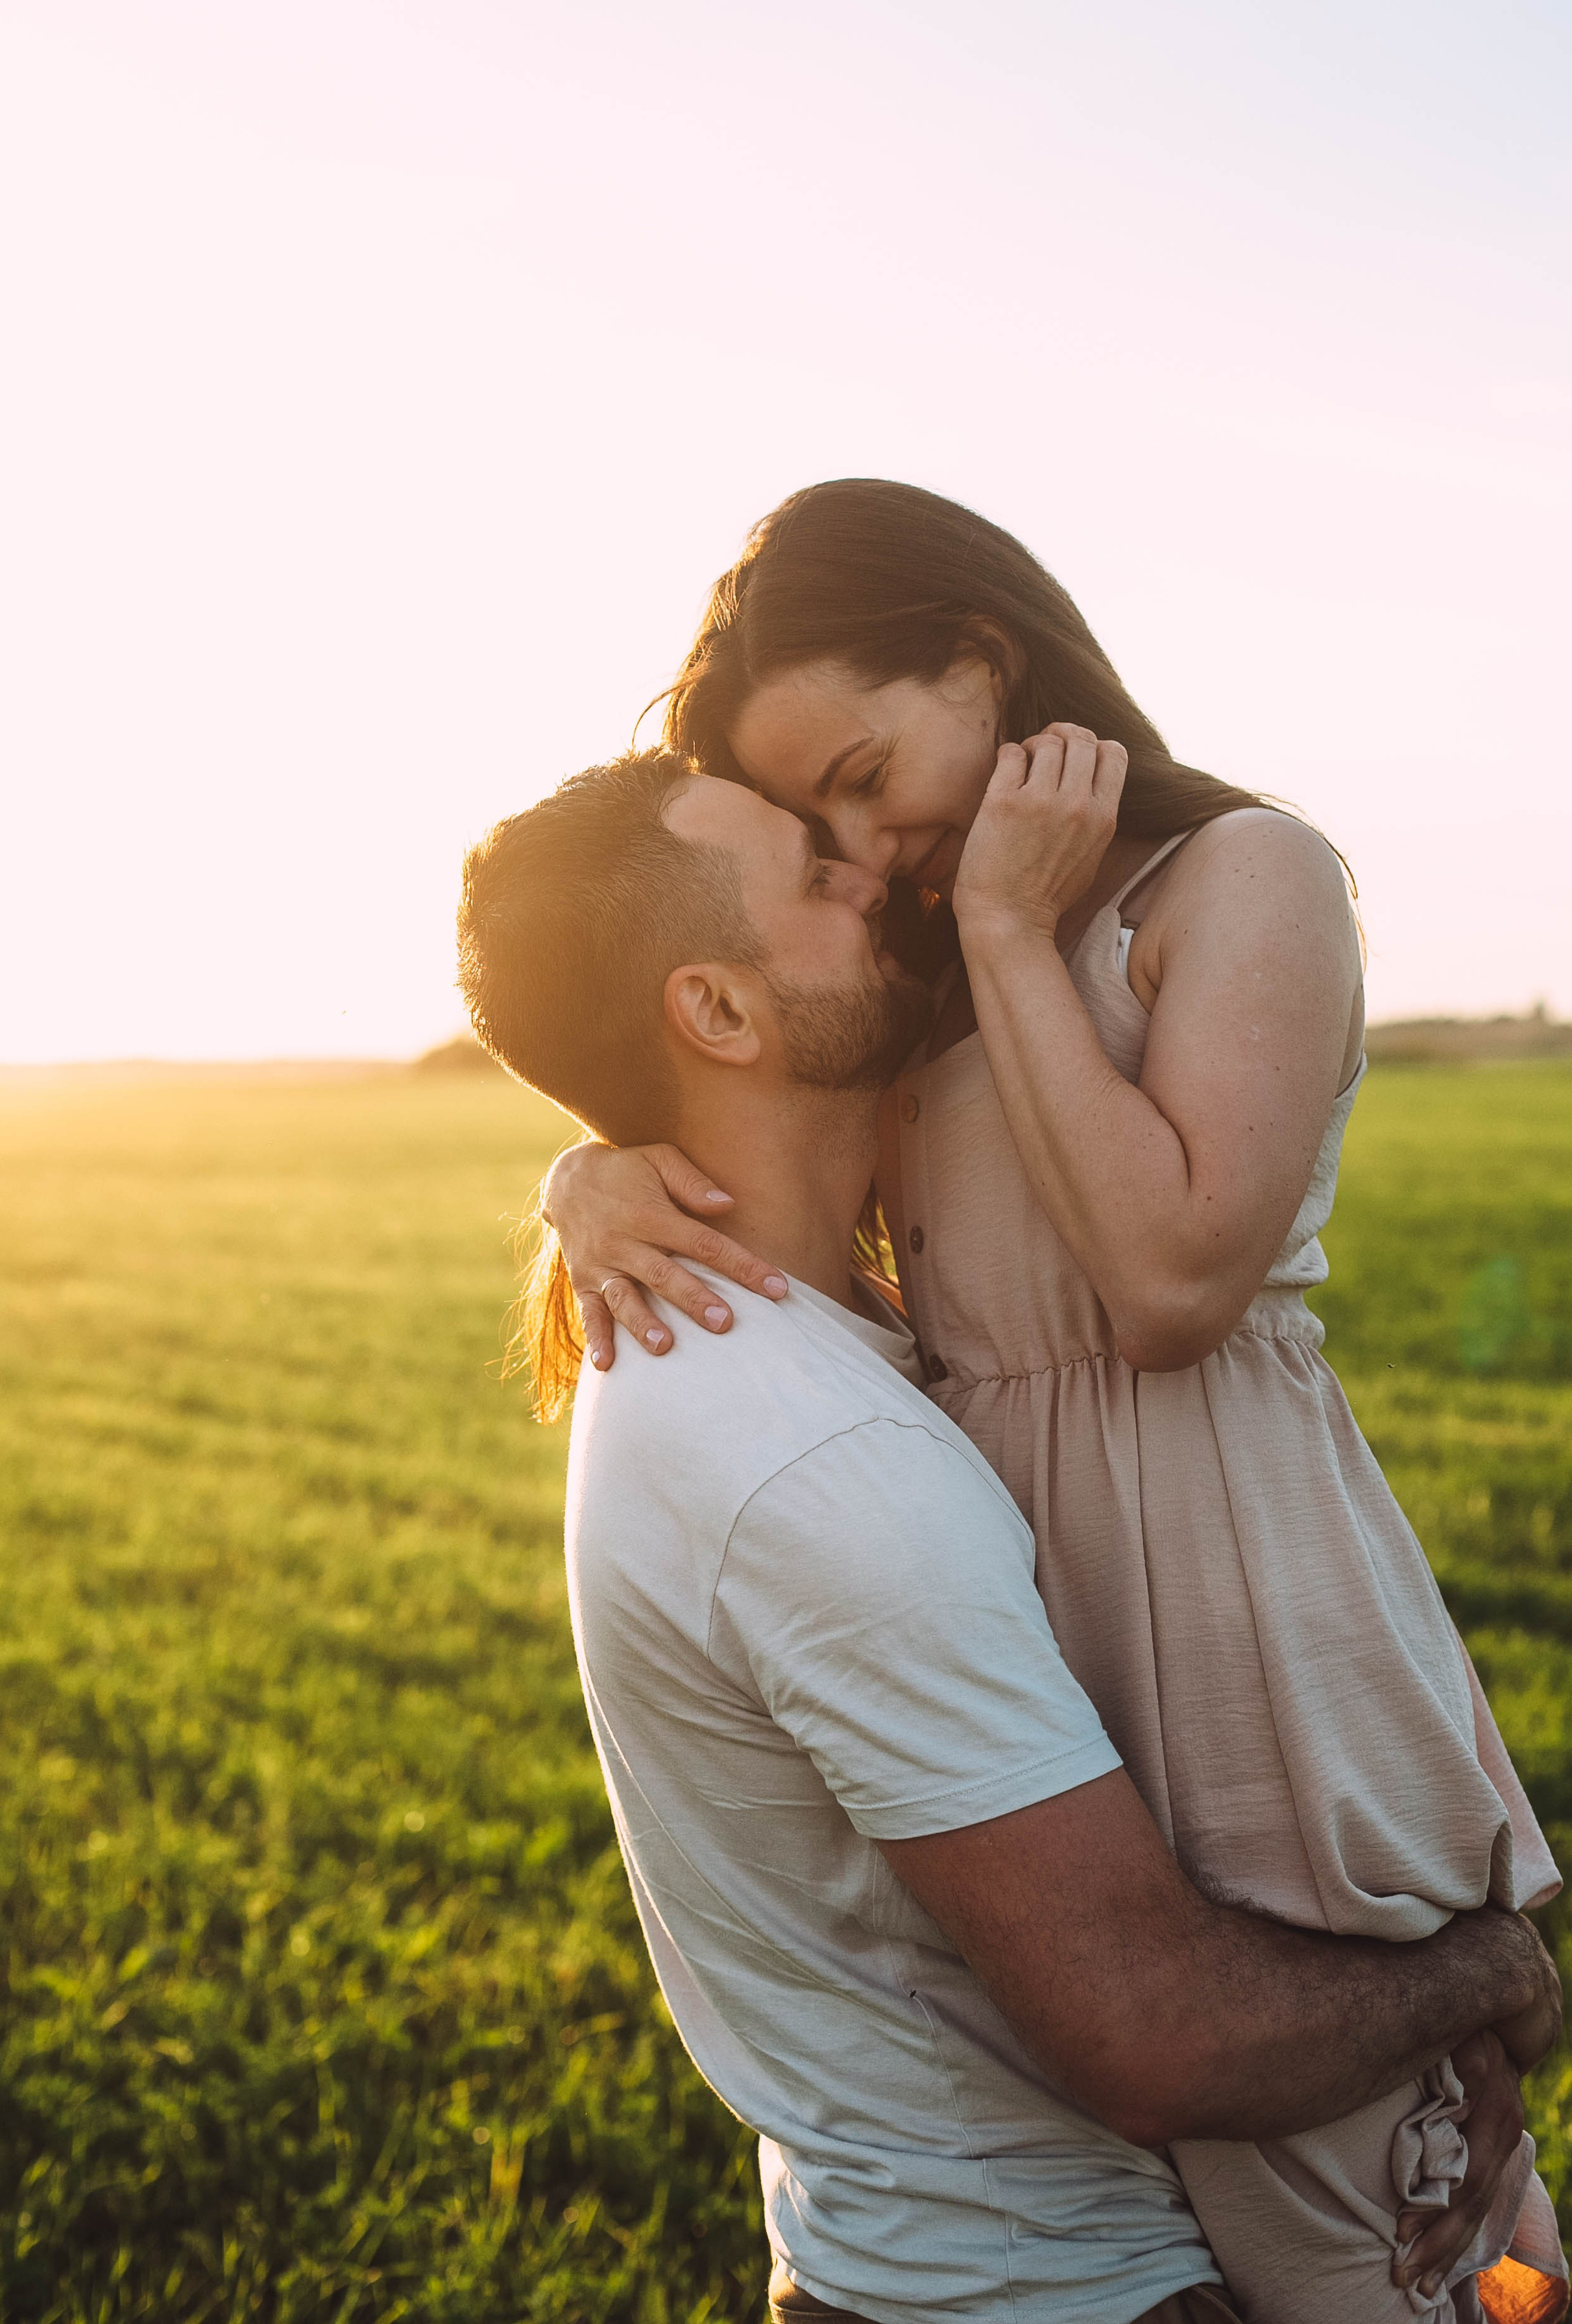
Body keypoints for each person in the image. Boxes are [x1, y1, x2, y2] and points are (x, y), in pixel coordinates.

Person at [540, 481, 1569, 2323]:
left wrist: (1014, 936)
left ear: (981, 662)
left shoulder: (1242, 876)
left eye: (866, 771)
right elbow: (741, 1070)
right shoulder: (922, 968)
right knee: (1174, 2094)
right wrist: (587, 1176)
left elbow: (1173, 1286)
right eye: (817, 821)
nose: (868, 842)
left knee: (1387, 2234)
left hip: (1225, 1601)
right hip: (1039, 1614)